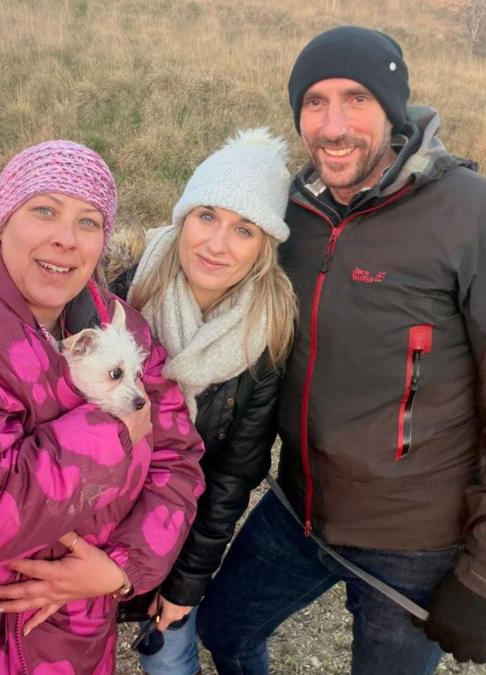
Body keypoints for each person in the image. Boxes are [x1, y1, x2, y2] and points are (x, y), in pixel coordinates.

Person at [196, 26, 486, 674]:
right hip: (298, 509)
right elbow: (202, 252)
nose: (332, 124)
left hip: (415, 542)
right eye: (314, 102)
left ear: (394, 108)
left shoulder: (478, 216)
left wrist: (485, 578)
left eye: (356, 99)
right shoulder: (290, 212)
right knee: (223, 630)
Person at [0, 140, 205, 674]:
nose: (65, 237)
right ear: (2, 218)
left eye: (88, 222)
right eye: (44, 210)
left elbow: (178, 459)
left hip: (83, 628)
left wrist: (118, 568)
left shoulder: (114, 322)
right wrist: (115, 430)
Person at [91, 129, 297, 674]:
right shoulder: (125, 293)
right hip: (91, 529)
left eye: (243, 229)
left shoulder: (267, 336)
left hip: (179, 540)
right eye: (207, 216)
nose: (216, 244)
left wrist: (185, 586)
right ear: (184, 217)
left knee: (169, 657)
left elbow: (231, 479)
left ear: (264, 245)